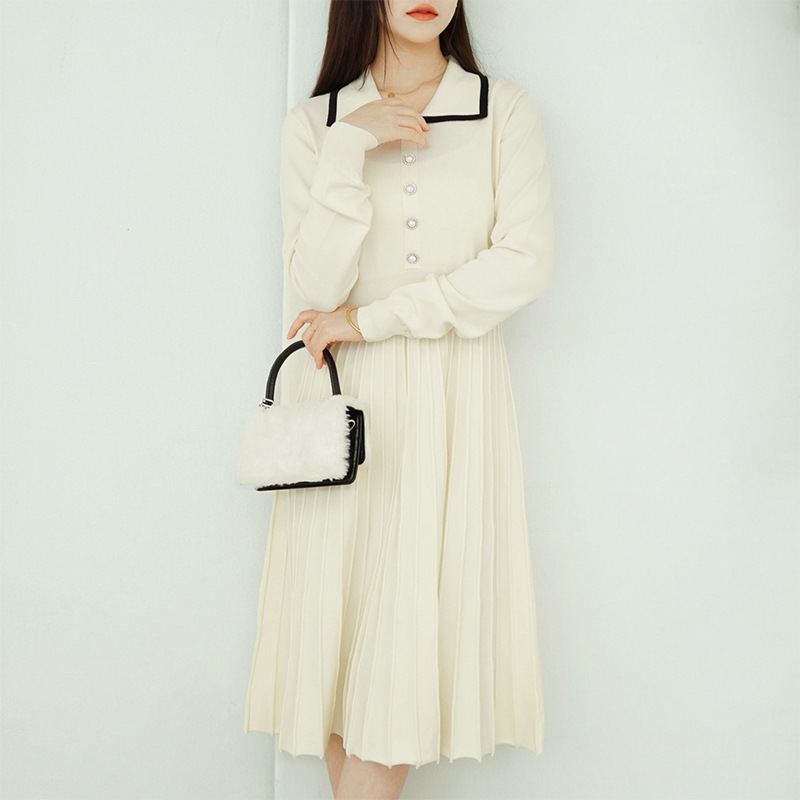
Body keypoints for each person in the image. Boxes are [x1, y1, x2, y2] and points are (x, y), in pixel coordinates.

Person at [244, 0, 556, 797]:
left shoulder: (501, 111)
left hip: (448, 405)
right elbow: (316, 288)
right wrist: (349, 147)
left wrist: (372, 319)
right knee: (337, 670)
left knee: (400, 666)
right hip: (342, 410)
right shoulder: (317, 125)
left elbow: (522, 263)